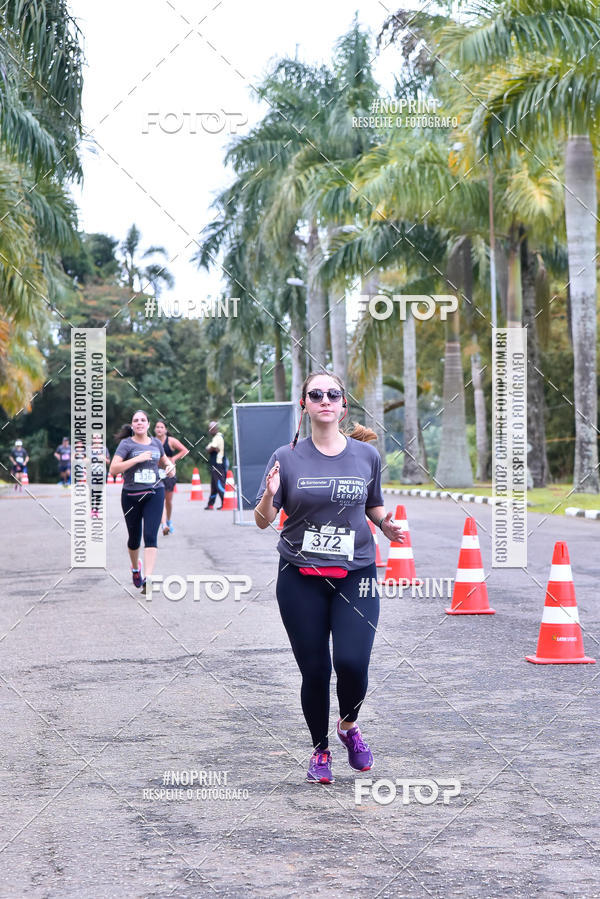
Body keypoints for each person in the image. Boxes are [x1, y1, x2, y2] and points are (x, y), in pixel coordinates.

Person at [255, 371, 405, 785]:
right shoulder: (286, 457)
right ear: (304, 403)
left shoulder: (365, 456)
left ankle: (348, 726)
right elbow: (262, 521)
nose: (324, 399)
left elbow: (372, 504)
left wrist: (385, 526)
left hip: (355, 572)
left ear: (342, 404)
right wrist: (270, 494)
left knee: (353, 663)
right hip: (299, 575)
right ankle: (320, 750)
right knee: (316, 670)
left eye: (332, 394)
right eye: (315, 394)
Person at [109, 410, 175, 593]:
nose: (139, 423)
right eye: (136, 420)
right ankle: (135, 568)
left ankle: (149, 578)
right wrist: (137, 458)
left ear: (148, 424)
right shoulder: (126, 444)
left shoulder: (155, 443)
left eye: (142, 420)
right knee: (134, 538)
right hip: (131, 496)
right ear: (132, 425)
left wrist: (170, 469)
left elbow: (165, 462)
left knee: (150, 536)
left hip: (155, 492)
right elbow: (114, 469)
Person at [154, 420, 189, 535]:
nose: (159, 429)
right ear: (154, 429)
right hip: (156, 473)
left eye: (161, 427)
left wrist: (174, 458)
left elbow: (185, 450)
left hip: (169, 472)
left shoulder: (171, 441)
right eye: (157, 427)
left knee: (168, 501)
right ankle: (163, 524)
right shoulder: (152, 441)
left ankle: (168, 521)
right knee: (160, 499)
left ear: (165, 430)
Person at [204, 420, 226, 510]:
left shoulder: (218, 437)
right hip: (215, 465)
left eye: (211, 429)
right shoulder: (215, 438)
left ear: (215, 429)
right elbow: (209, 448)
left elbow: (211, 448)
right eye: (209, 429)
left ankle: (226, 502)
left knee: (219, 483)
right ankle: (210, 504)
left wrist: (211, 448)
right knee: (213, 485)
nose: (210, 431)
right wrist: (210, 448)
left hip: (218, 464)